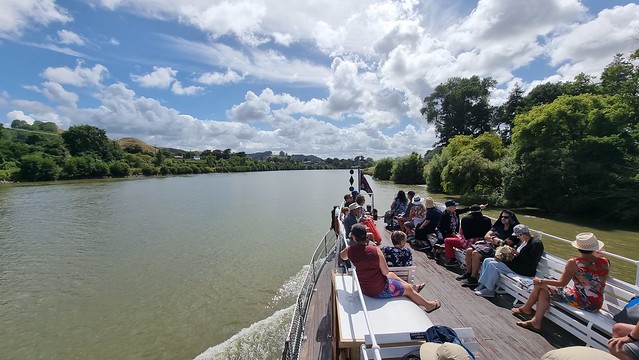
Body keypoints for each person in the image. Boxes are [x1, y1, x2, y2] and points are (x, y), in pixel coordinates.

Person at [512, 232, 609, 334]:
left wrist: (540, 280)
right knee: (544, 291)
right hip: (596, 303)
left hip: (583, 300)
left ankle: (526, 309)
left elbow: (562, 283)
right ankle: (535, 321)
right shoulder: (605, 262)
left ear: (578, 248)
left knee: (541, 285)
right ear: (595, 247)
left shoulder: (574, 262)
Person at [339, 224, 441, 312]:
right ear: (366, 236)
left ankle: (414, 287)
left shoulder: (350, 250)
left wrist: (350, 248)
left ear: (353, 236)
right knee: (408, 289)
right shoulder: (375, 250)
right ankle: (429, 305)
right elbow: (385, 271)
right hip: (379, 290)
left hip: (365, 288)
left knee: (392, 275)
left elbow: (342, 256)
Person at [474, 224, 544, 298]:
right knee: (487, 260)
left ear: (522, 234)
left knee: (493, 265)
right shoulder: (523, 241)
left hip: (524, 269)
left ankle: (489, 289)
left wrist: (517, 254)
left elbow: (532, 261)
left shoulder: (536, 244)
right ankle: (483, 284)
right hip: (515, 263)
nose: (517, 237)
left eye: (518, 236)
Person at [458, 210, 520, 287]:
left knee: (475, 253)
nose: (503, 218)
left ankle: (473, 278)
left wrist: (493, 239)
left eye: (506, 217)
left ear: (511, 218)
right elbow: (486, 236)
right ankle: (468, 273)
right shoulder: (498, 226)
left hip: (499, 251)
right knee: (469, 250)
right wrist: (495, 239)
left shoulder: (514, 231)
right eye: (502, 216)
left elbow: (506, 243)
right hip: (488, 245)